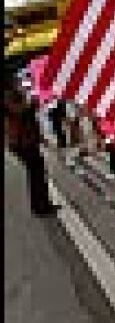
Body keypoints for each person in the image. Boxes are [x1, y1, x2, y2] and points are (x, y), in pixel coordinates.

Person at [4, 70, 59, 216]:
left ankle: (41, 204)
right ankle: (41, 206)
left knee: (36, 171)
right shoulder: (7, 93)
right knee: (36, 171)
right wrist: (32, 103)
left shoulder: (13, 91)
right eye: (14, 77)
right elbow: (18, 110)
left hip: (26, 138)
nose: (17, 78)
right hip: (22, 140)